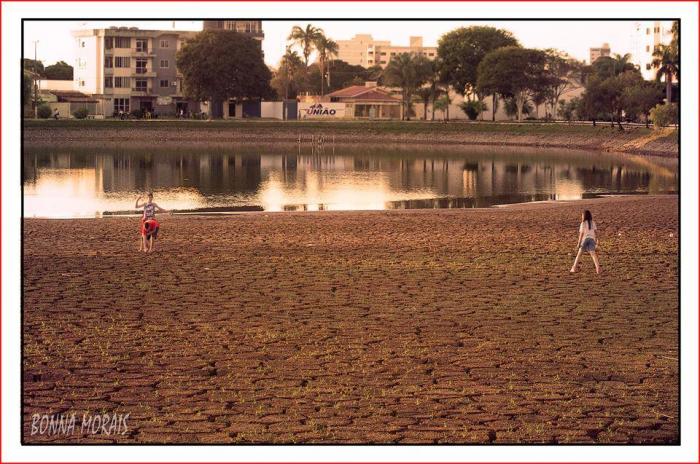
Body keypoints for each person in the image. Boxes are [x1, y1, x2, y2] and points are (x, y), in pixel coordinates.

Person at [570, 210, 601, 274]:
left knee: (579, 255)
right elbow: (596, 232)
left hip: (585, 240)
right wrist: (597, 240)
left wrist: (578, 243)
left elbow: (581, 234)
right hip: (592, 239)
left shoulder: (583, 223)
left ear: (584, 216)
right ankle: (597, 268)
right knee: (593, 254)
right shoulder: (593, 222)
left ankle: (574, 268)